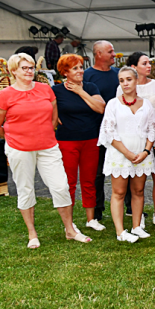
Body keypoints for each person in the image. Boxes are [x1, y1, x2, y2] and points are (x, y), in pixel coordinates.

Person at [0, 53, 92, 249]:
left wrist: (45, 134)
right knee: (25, 189)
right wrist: (14, 139)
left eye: (30, 67)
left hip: (48, 147)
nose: (29, 71)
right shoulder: (5, 95)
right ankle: (32, 234)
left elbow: (53, 117)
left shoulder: (46, 89)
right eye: (24, 68)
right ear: (13, 71)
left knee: (61, 187)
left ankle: (70, 230)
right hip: (19, 149)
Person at [98, 67, 155, 243]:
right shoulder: (113, 104)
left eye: (128, 79)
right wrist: (128, 153)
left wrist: (146, 151)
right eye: (122, 80)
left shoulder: (146, 104)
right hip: (120, 154)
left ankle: (137, 226)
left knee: (138, 190)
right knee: (119, 192)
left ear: (136, 80)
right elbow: (109, 133)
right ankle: (120, 231)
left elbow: (152, 129)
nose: (125, 83)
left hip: (142, 154)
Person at [117, 52, 155, 230]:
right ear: (134, 67)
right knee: (136, 180)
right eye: (144, 63)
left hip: (154, 139)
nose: (149, 66)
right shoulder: (123, 87)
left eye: (150, 63)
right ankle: (136, 215)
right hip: (133, 140)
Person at [53, 54, 106, 232]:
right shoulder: (56, 91)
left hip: (91, 139)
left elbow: (100, 108)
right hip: (67, 141)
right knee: (69, 182)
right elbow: (46, 109)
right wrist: (54, 116)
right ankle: (70, 222)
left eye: (81, 67)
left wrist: (80, 92)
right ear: (65, 72)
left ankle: (91, 219)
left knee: (89, 180)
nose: (80, 71)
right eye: (75, 68)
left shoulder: (90, 87)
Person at [83, 40, 119, 222]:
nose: (114, 54)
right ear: (98, 54)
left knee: (123, 168)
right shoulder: (87, 76)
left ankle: (128, 207)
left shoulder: (119, 74)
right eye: (110, 51)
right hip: (95, 131)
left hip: (120, 132)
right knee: (96, 173)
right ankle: (97, 210)